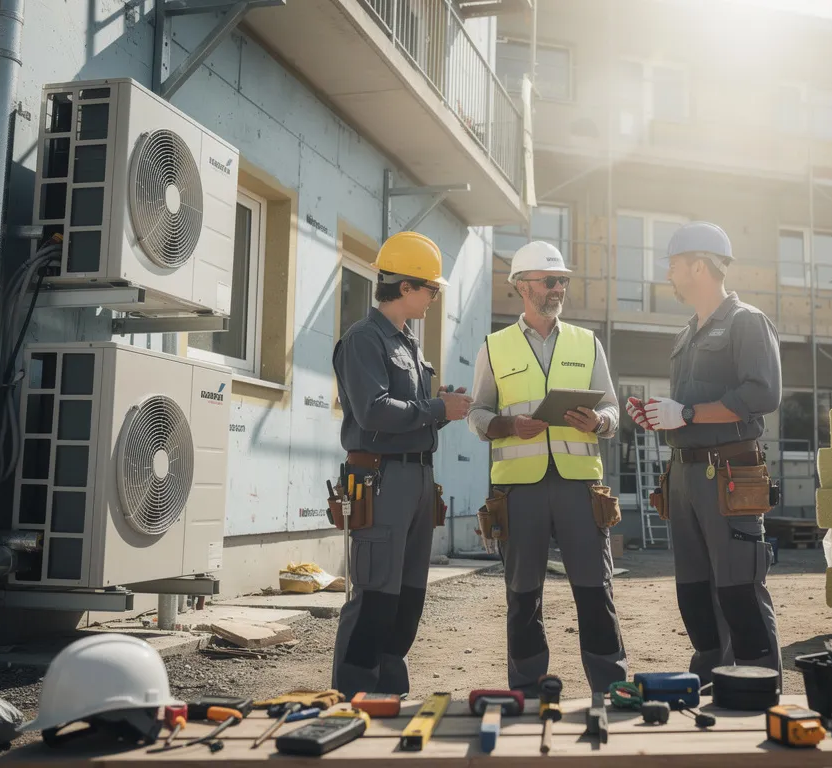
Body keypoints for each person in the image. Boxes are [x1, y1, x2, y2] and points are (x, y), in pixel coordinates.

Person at [468, 240, 628, 695]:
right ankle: (527, 686)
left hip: (581, 488)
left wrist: (599, 421)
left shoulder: (586, 342)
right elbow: (477, 415)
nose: (559, 288)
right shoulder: (494, 347)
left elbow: (613, 410)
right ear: (522, 286)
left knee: (596, 591)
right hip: (520, 491)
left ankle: (610, 685)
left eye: (563, 281)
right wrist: (507, 424)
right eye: (549, 280)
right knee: (523, 596)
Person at [627, 221, 783, 684]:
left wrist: (687, 414)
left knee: (738, 587)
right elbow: (686, 409)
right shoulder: (685, 334)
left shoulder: (747, 323)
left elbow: (763, 395)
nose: (670, 275)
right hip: (685, 477)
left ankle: (757, 684)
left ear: (699, 266)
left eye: (675, 265)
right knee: (693, 590)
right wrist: (661, 416)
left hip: (730, 474)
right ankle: (714, 676)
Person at [330, 230, 473, 698]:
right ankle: (354, 697)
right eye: (430, 289)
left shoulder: (409, 342)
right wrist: (436, 409)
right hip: (381, 477)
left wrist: (442, 409)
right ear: (406, 287)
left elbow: (409, 417)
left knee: (408, 598)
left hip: (415, 477)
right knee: (374, 594)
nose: (434, 297)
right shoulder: (363, 339)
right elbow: (372, 412)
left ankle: (389, 693)